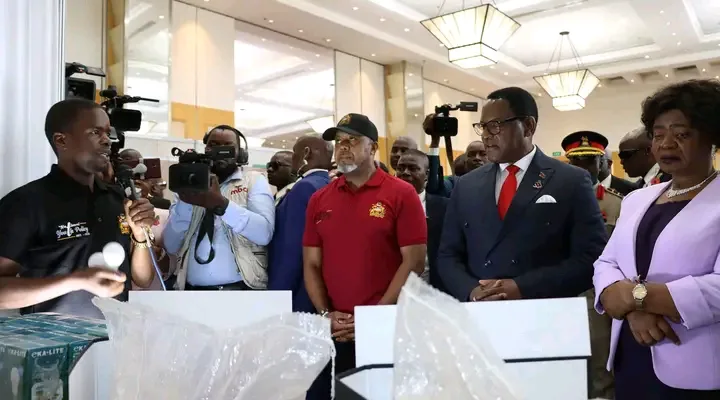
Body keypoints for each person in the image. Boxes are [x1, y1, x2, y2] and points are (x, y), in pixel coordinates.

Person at [594, 80, 720, 399]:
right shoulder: (638, 198)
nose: (666, 144)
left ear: (713, 138)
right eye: (658, 134)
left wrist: (636, 296)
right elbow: (607, 262)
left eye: (681, 134)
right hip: (631, 351)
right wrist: (632, 310)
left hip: (695, 362)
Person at [438, 87, 607, 302]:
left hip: (544, 311)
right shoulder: (467, 185)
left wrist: (524, 287)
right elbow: (448, 255)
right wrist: (471, 291)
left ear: (528, 126)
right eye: (482, 127)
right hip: (480, 313)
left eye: (495, 125)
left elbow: (591, 257)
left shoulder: (570, 180)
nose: (486, 135)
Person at [0, 99, 156, 317]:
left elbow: (143, 279)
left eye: (107, 132)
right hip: (53, 345)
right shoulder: (26, 203)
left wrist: (139, 237)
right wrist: (75, 280)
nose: (107, 140)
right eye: (95, 132)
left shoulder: (116, 199)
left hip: (116, 340)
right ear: (61, 140)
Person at [303, 113, 426, 375]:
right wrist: (326, 314)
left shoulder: (402, 193)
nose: (344, 147)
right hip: (338, 328)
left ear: (373, 147)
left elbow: (413, 261)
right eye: (339, 142)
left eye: (353, 140)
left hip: (389, 324)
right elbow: (311, 264)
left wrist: (374, 318)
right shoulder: (319, 199)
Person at [163, 125, 275, 291]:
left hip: (241, 292)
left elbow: (264, 233)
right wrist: (186, 201)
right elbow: (171, 245)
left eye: (227, 146)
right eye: (214, 145)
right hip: (192, 293)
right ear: (206, 149)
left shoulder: (254, 181)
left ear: (240, 153)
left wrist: (221, 204)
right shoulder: (188, 183)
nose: (219, 151)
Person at [561, 130, 622, 399]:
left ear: (602, 163)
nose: (584, 168)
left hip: (597, 293)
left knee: (601, 364)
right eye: (577, 162)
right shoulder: (550, 200)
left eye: (590, 161)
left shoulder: (617, 203)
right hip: (557, 291)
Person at [268, 134, 332, 312]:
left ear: (305, 153)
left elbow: (292, 248)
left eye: (294, 154)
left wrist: (277, 294)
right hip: (321, 285)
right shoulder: (330, 186)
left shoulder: (304, 187)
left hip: (298, 289)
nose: (294, 159)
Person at [396, 149, 449, 292]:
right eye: (400, 168)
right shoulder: (384, 206)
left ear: (426, 175)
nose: (405, 173)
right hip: (394, 289)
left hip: (435, 290)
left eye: (413, 168)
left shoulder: (445, 207)